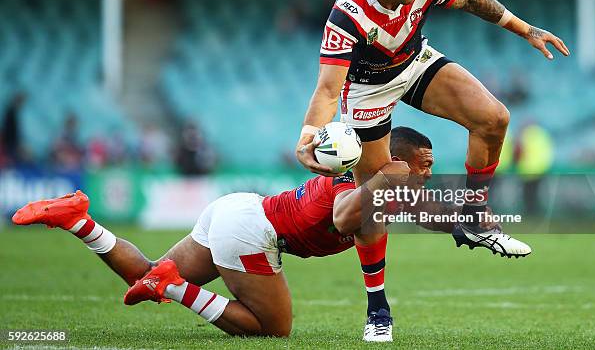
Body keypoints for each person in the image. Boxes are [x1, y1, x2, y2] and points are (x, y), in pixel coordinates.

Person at [12, 127, 508, 342]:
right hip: (253, 232)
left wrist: (466, 225)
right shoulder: (358, 187)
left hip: (238, 211)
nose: (425, 174)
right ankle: (178, 286)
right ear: (392, 161)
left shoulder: (371, 185)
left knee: (143, 275)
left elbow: (412, 210)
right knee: (273, 329)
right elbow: (343, 217)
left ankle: (75, 219)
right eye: (421, 166)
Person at [294, 0, 562, 334]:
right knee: (376, 200)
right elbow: (329, 89)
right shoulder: (347, 17)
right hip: (368, 89)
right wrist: (307, 136)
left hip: (416, 62)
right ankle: (378, 311)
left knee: (494, 118)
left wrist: (525, 29)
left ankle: (473, 214)